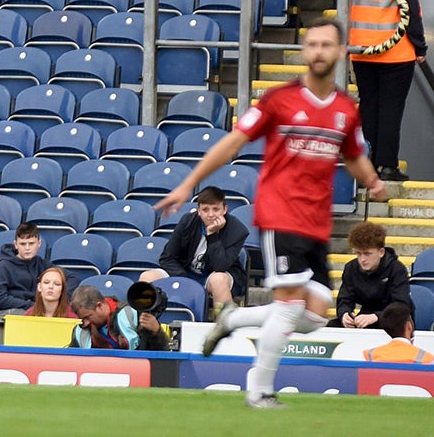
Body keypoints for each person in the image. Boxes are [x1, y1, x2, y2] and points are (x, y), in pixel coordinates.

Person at [174, 21, 387, 406]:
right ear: (305, 50)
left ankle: (233, 319)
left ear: (341, 52)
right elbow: (233, 143)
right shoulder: (279, 100)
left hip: (316, 224)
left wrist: (373, 181)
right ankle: (259, 389)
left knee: (316, 316)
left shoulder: (345, 110)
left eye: (327, 45)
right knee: (289, 309)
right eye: (313, 44)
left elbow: (354, 157)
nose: (319, 51)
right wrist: (189, 182)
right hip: (280, 216)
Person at [348, 0, 425, 184]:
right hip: (396, 53)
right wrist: (421, 47)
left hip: (360, 51)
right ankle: (388, 165)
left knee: (368, 107)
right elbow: (412, 13)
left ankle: (366, 163)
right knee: (391, 109)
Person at [140, 185, 249, 311]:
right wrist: (185, 280)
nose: (211, 214)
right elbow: (167, 258)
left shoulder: (237, 230)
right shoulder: (187, 221)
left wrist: (212, 235)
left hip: (214, 274)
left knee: (219, 280)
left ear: (224, 209)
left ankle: (224, 326)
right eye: (205, 209)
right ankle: (143, 326)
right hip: (185, 272)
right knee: (147, 277)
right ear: (198, 211)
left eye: (216, 209)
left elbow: (221, 266)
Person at [337, 221, 412, 329]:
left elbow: (401, 305)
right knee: (333, 325)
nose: (362, 259)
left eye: (367, 253)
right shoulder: (351, 268)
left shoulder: (397, 269)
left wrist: (376, 316)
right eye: (358, 253)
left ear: (381, 252)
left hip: (394, 320)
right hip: (365, 316)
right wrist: (345, 314)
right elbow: (345, 298)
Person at [71, 283, 167, 351]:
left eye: (88, 317)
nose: (86, 322)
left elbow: (160, 354)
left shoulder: (132, 316)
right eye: (82, 319)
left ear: (100, 306)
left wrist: (156, 332)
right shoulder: (81, 331)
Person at [0, 221, 51, 315]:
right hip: (6, 313)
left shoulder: (42, 264)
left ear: (39, 243)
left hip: (34, 310)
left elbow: (71, 277)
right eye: (23, 244)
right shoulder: (4, 266)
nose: (27, 248)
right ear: (16, 244)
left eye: (31, 243)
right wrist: (31, 305)